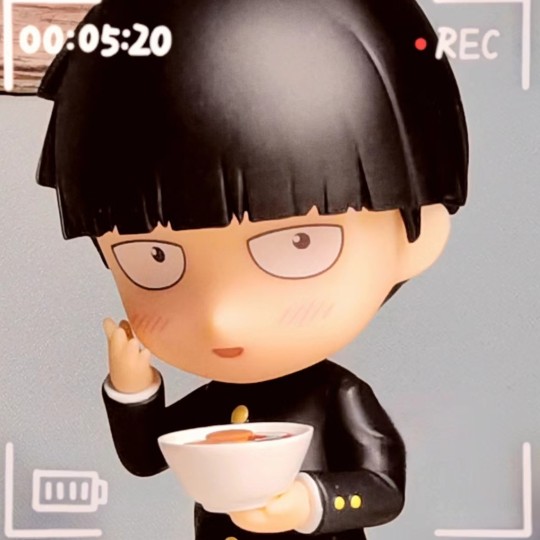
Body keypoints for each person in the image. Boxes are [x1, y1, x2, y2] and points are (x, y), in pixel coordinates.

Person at [37, 0, 468, 538]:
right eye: (154, 258)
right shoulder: (216, 399)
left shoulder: (338, 396)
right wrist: (133, 389)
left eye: (299, 243)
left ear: (418, 233)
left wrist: (309, 502)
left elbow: (383, 489)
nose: (220, 316)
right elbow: (146, 457)